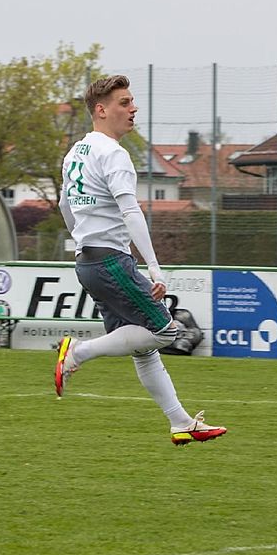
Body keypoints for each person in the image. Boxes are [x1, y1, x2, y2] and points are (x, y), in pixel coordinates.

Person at [53, 74, 227, 446]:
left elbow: (64, 206)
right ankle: (76, 353)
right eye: (124, 103)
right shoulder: (113, 153)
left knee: (144, 348)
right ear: (101, 110)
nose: (133, 109)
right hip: (111, 262)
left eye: (133, 102)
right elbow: (132, 212)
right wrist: (153, 266)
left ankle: (180, 422)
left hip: (88, 262)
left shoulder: (76, 152)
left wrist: (82, 238)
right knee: (165, 331)